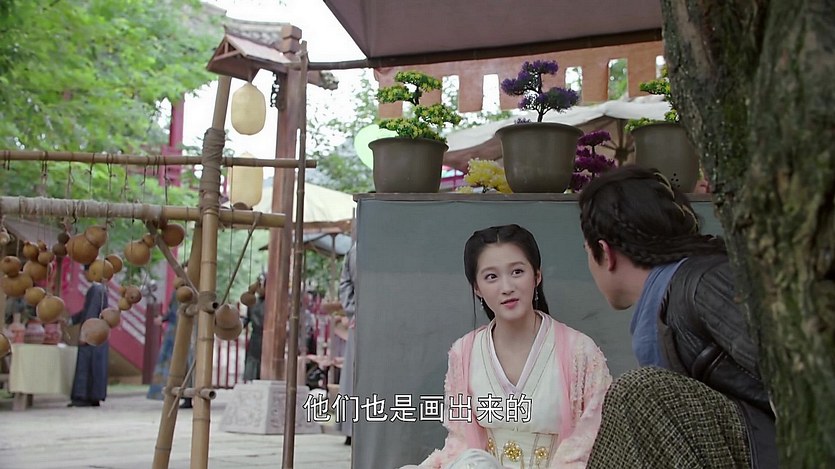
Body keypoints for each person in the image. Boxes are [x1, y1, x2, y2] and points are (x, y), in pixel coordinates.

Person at [578, 166, 776, 468]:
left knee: (640, 393)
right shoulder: (668, 304)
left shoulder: (705, 283)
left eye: (586, 251)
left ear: (605, 252)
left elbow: (796, 372)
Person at [405, 224, 612, 469]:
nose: (507, 287)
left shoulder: (580, 351)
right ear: (477, 288)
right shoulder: (464, 353)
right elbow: (460, 441)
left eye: (517, 272)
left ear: (537, 276)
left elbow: (598, 437)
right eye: (491, 277)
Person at [68, 280, 109, 407]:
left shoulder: (96, 289)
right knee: (96, 367)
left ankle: (82, 397)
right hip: (99, 333)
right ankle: (94, 396)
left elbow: (91, 312)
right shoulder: (102, 289)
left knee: (86, 365)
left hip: (92, 333)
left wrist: (85, 334)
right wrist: (71, 320)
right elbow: (86, 311)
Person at [337, 242, 357, 446]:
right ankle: (351, 428)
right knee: (354, 375)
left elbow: (344, 284)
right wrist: (355, 311)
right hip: (360, 320)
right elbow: (346, 283)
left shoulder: (355, 249)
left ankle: (351, 429)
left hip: (360, 317)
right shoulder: (356, 250)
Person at [243, 275, 265, 382]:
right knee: (252, 364)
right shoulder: (253, 302)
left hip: (267, 338)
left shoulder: (273, 303)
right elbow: (246, 319)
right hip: (255, 338)